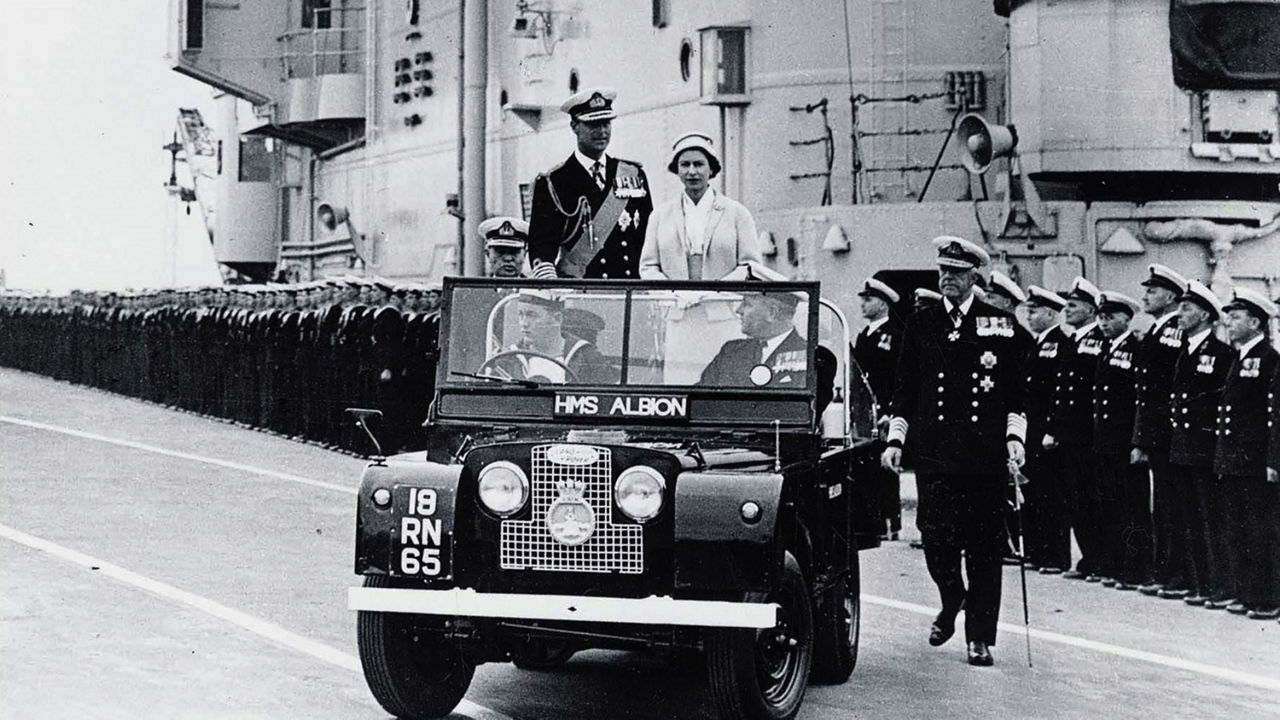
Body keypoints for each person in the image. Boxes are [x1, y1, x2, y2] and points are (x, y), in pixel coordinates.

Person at [881, 236, 1028, 667]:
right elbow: (905, 389)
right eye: (943, 271)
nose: (947, 278)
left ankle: (979, 636)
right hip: (935, 453)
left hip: (983, 456)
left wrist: (1014, 437)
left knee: (984, 547)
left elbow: (1016, 393)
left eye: (957, 273)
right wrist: (896, 439)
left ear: (974, 277)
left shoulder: (998, 324)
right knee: (936, 539)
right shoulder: (921, 323)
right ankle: (952, 599)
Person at [527, 87, 652, 279]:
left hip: (629, 290)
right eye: (593, 124)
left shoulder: (633, 175)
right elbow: (542, 249)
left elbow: (648, 238)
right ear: (574, 126)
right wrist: (555, 289)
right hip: (580, 293)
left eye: (606, 123)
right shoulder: (554, 182)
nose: (601, 131)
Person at [1213, 287, 1280, 619]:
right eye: (1228, 315)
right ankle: (1245, 593)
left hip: (1254, 462)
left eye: (1236, 317)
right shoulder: (1238, 357)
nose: (1229, 321)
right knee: (1237, 529)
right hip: (1235, 459)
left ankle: (1266, 597)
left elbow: (1272, 416)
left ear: (1256, 322)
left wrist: (1272, 461)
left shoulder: (1269, 359)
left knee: (1260, 531)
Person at [1165, 280, 1232, 607]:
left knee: (1211, 521)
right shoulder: (1185, 351)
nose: (1179, 313)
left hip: (1205, 451)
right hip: (1183, 449)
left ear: (1205, 314)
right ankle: (1200, 583)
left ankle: (1220, 586)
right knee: (1189, 519)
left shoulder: (1221, 355)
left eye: (1187, 308)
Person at [1131, 264, 1191, 598]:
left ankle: (1174, 573)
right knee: (1164, 504)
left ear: (1170, 296)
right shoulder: (1158, 330)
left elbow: (1168, 385)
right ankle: (1165, 570)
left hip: (1167, 432)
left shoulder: (1171, 332)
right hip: (1158, 433)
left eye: (1152, 291)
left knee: (1171, 505)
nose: (1145, 296)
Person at [639, 132, 761, 280]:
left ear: (711, 169)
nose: (691, 172)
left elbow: (750, 267)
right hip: (674, 301)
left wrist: (717, 292)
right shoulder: (660, 216)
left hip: (724, 301)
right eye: (685, 165)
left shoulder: (738, 214)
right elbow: (649, 267)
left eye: (698, 164)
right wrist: (672, 294)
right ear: (676, 170)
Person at [1091, 291, 1150, 590]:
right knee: (1110, 505)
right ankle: (1113, 564)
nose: (1104, 323)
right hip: (1104, 441)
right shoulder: (1105, 349)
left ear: (1127, 319)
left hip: (1124, 441)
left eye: (1111, 317)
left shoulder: (1135, 348)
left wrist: (1137, 441)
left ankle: (1136, 568)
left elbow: (1138, 398)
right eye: (1101, 317)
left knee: (1131, 507)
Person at [1048, 276, 1106, 581]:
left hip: (1086, 434)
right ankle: (1087, 559)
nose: (1066, 310)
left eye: (1073, 305)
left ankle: (1097, 559)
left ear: (1090, 309)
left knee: (1089, 498)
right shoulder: (1073, 341)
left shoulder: (1097, 341)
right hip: (1070, 434)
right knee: (1075, 498)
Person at [1021, 286, 1071, 575]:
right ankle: (1037, 551)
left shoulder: (1059, 343)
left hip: (1044, 432)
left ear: (1051, 314)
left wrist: (1051, 428)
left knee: (1050, 494)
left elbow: (1057, 393)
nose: (1030, 315)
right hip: (1031, 430)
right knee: (1033, 492)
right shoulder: (1038, 344)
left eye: (1035, 311)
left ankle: (1054, 555)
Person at [853, 278, 903, 540]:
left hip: (882, 410)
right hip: (864, 411)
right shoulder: (866, 334)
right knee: (867, 465)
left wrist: (891, 410)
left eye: (868, 299)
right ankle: (874, 520)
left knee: (885, 467)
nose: (863, 304)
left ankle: (890, 522)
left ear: (882, 304)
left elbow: (897, 376)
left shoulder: (893, 334)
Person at [488, 290, 613, 384]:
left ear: (557, 319)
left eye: (532, 315)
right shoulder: (508, 360)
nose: (523, 323)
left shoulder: (586, 356)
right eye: (520, 315)